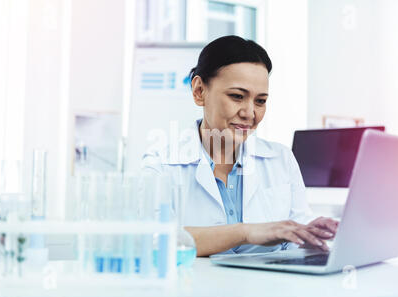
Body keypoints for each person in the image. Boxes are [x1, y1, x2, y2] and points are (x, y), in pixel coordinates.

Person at [142, 35, 338, 257]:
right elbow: (152, 239)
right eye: (237, 96)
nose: (249, 113)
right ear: (199, 91)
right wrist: (245, 232)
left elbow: (297, 225)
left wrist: (312, 232)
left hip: (267, 289)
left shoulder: (281, 159)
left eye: (260, 101)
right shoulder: (160, 163)